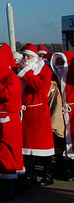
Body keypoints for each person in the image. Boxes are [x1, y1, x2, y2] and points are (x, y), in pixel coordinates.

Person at [0, 45, 26, 200]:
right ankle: (20, 182)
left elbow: (9, 95)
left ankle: (7, 189)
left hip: (7, 120)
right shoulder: (4, 78)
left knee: (6, 152)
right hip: (0, 119)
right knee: (9, 152)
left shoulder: (10, 78)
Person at [18, 43, 56, 186]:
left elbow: (39, 87)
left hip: (39, 112)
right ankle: (30, 175)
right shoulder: (21, 70)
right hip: (26, 112)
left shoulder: (44, 70)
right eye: (24, 55)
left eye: (28, 56)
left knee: (44, 146)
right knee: (27, 148)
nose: (25, 58)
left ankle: (48, 175)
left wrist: (26, 71)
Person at [50, 51, 74, 181]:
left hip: (71, 111)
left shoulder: (71, 75)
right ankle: (64, 168)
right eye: (57, 62)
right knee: (60, 139)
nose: (59, 65)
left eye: (61, 62)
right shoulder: (54, 77)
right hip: (60, 111)